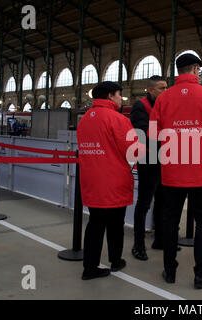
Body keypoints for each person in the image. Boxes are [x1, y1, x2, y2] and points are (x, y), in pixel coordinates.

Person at [150, 53, 202, 289]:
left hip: (172, 170)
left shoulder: (164, 98)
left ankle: (170, 271)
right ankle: (201, 276)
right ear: (195, 69)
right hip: (200, 170)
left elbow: (153, 134)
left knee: (170, 219)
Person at [77, 81, 140, 280]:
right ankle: (115, 260)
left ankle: (90, 267)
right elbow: (133, 151)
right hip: (114, 182)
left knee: (95, 224)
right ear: (111, 95)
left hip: (91, 181)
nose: (121, 99)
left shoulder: (85, 119)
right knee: (115, 224)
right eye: (120, 95)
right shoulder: (117, 119)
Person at [130, 75, 173, 261]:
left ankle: (160, 239)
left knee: (163, 201)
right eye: (162, 88)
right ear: (151, 90)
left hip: (164, 161)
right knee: (144, 204)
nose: (165, 91)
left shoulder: (166, 105)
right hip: (148, 161)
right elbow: (141, 134)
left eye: (166, 87)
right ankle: (138, 245)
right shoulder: (140, 106)